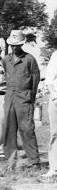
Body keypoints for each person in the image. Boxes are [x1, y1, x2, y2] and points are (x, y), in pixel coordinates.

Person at [2, 30, 40, 170]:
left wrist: (30, 97)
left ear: (22, 44)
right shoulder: (5, 59)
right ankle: (10, 162)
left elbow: (35, 80)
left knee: (27, 129)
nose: (14, 47)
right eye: (12, 45)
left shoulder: (29, 59)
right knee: (9, 130)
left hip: (24, 99)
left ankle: (34, 161)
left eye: (17, 45)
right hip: (10, 98)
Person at [42, 50, 57, 178]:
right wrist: (54, 96)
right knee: (55, 133)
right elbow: (49, 79)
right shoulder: (56, 55)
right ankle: (54, 168)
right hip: (56, 100)